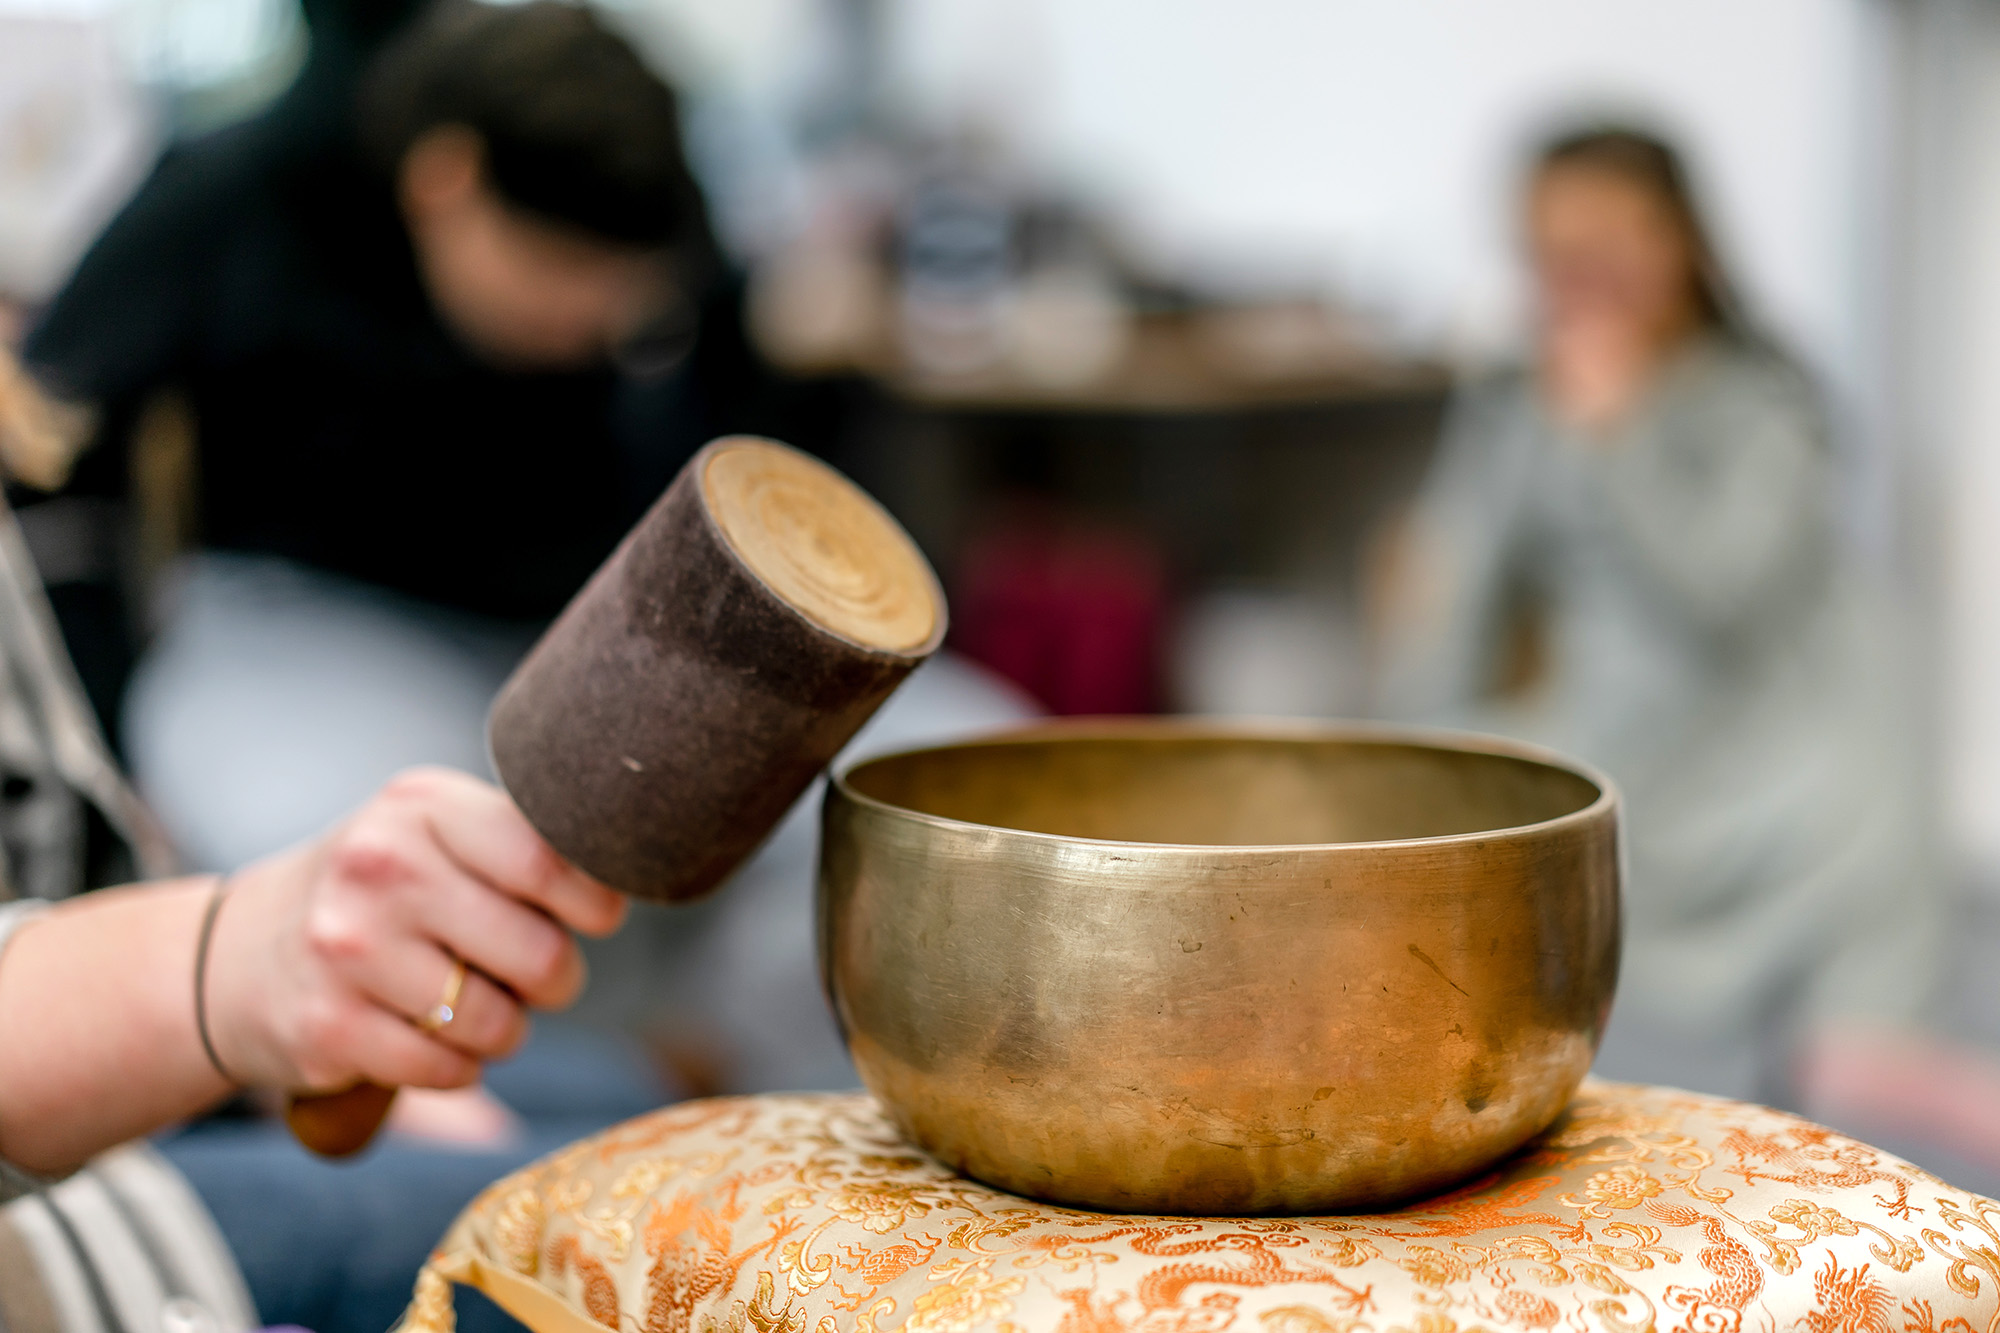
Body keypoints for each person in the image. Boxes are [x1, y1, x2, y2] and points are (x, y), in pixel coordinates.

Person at [13, 0, 785, 874]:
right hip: (301, 624)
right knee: (387, 861)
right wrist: (92, 735)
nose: (599, 318)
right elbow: (48, 449)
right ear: (445, 181)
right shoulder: (243, 193)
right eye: (555, 270)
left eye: (625, 289)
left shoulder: (651, 205)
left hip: (587, 630)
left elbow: (729, 419)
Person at [1372, 128, 1951, 1119]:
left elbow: (1725, 596)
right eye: (1557, 254)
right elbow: (1456, 581)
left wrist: (1619, 434)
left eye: (1613, 245)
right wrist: (1411, 738)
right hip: (1607, 711)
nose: (1585, 278)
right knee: (1473, 802)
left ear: (1681, 243)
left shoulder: (1759, 396)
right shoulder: (1514, 397)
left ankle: (1851, 1058)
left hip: (1750, 716)